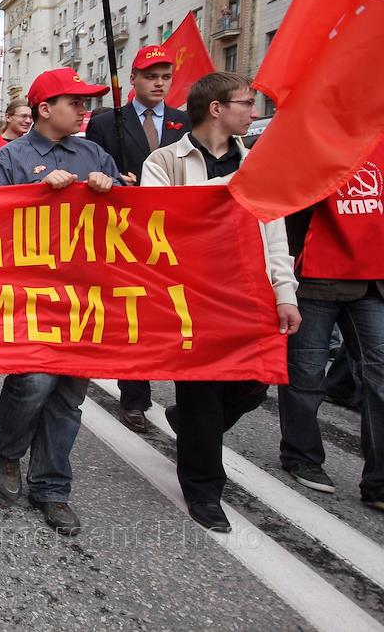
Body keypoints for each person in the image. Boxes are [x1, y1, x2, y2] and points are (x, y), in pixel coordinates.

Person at [142, 72, 300, 531]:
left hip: (248, 295)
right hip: (191, 297)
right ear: (216, 109)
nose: (253, 111)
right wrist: (234, 187)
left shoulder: (256, 168)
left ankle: (188, 423)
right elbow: (163, 222)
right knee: (204, 391)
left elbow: (274, 235)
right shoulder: (164, 162)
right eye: (245, 103)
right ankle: (204, 489)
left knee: (254, 383)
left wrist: (285, 293)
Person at [0, 67, 121, 536]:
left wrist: (111, 189)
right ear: (45, 109)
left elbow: (132, 216)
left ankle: (52, 487)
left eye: (86, 103)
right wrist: (37, 196)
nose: (84, 110)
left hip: (84, 296)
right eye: (75, 102)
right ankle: (6, 448)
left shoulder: (95, 154)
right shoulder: (9, 159)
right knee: (35, 381)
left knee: (69, 393)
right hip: (29, 296)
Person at [86, 45, 191, 433]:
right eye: (151, 76)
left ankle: (189, 400)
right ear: (133, 79)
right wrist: (116, 182)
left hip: (171, 233)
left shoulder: (184, 122)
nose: (159, 83)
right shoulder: (106, 123)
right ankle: (134, 397)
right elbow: (97, 169)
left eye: (165, 77)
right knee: (134, 313)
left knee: (175, 313)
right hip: (124, 232)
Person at [279, 139, 384, 511]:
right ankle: (301, 455)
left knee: (380, 375)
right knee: (305, 374)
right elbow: (287, 198)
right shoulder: (313, 139)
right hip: (315, 279)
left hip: (372, 281)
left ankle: (379, 482)